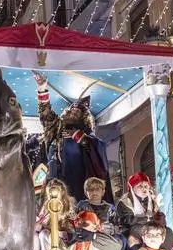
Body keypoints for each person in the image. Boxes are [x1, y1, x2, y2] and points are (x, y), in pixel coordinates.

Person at [32, 71, 113, 204]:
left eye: (75, 113)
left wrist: (78, 136)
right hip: (54, 181)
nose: (70, 113)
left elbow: (98, 150)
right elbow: (45, 113)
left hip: (77, 183)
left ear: (82, 119)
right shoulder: (56, 127)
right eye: (70, 110)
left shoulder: (86, 135)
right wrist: (42, 89)